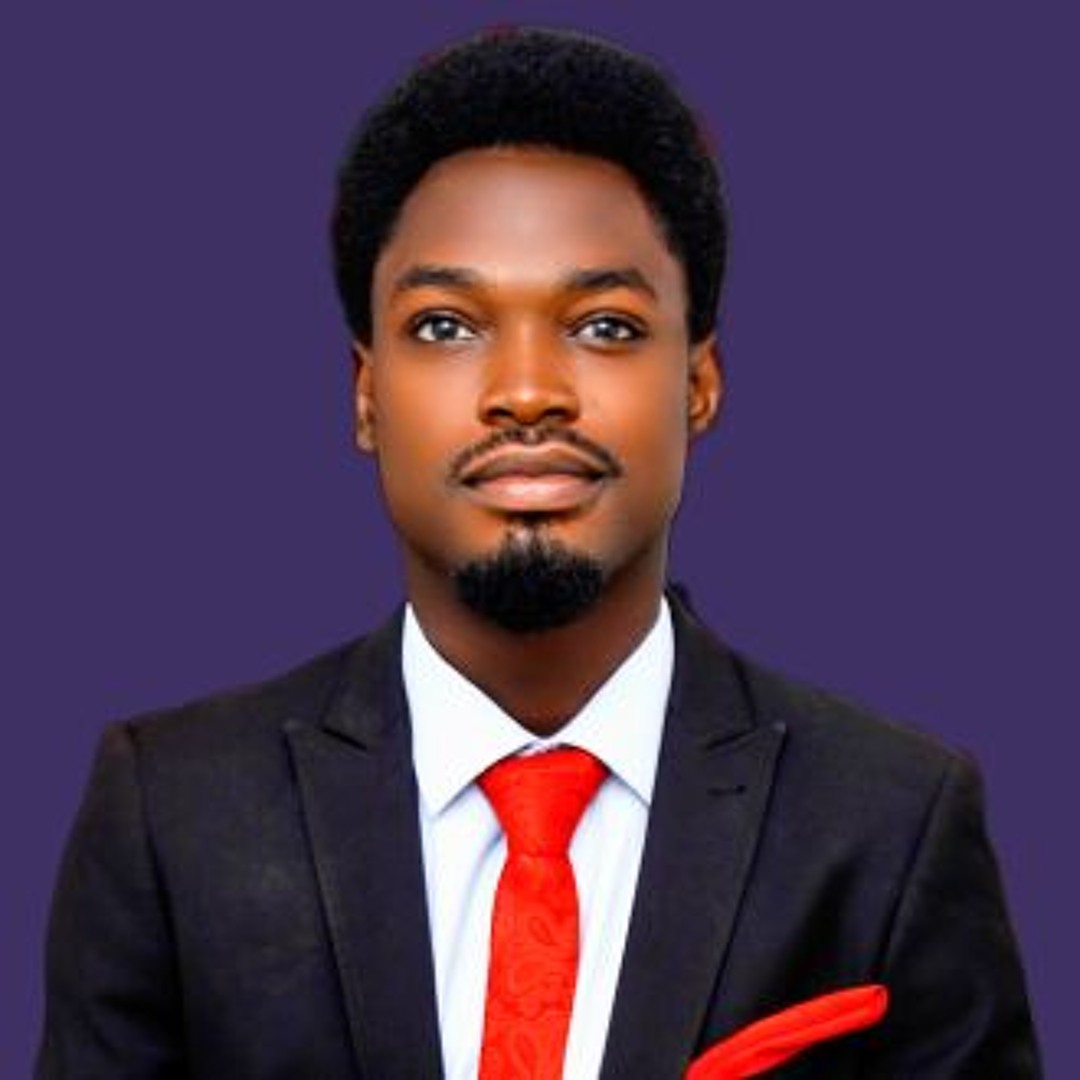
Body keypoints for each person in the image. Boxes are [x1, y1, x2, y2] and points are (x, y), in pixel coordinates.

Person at [37, 26, 1040, 1079]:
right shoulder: (173, 814)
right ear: (366, 394)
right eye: (446, 326)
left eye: (604, 326)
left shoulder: (892, 822)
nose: (526, 392)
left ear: (699, 384)